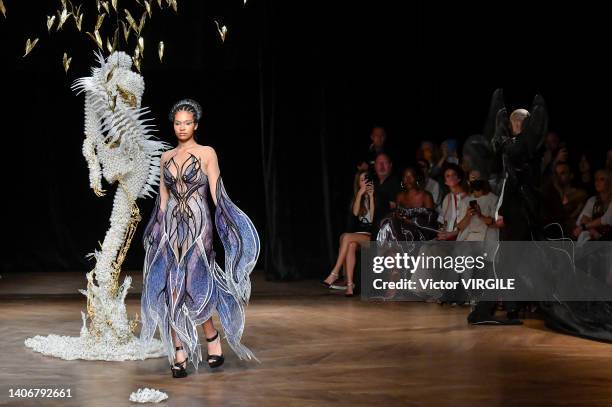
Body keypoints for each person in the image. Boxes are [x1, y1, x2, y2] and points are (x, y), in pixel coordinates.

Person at [140, 99, 260, 378]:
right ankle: (178, 351)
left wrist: (230, 222)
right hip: (171, 228)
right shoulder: (165, 157)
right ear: (173, 125)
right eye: (178, 123)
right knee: (172, 289)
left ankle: (211, 336)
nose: (182, 127)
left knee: (196, 285)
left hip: (199, 227)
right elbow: (163, 198)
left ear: (196, 125)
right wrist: (156, 228)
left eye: (187, 123)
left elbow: (217, 192)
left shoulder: (207, 152)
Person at [322, 170, 375, 297]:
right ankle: (350, 285)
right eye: (362, 180)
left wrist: (371, 197)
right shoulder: (357, 197)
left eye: (366, 179)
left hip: (372, 236)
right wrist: (360, 194)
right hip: (358, 236)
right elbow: (356, 213)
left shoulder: (376, 196)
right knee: (350, 245)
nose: (365, 182)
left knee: (345, 236)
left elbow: (372, 220)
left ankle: (335, 273)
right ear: (358, 183)